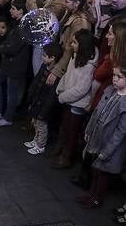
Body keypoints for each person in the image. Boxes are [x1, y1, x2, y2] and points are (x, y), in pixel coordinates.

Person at [80, 65, 126, 210]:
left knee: (102, 173)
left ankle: (97, 198)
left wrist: (108, 150)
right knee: (95, 169)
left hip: (110, 144)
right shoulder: (110, 91)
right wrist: (89, 129)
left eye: (119, 77)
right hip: (98, 137)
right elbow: (96, 113)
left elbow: (120, 132)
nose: (115, 79)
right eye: (114, 75)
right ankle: (91, 194)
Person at [50, 29, 98, 169]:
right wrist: (61, 88)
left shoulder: (89, 66)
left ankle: (67, 157)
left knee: (72, 132)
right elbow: (67, 75)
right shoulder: (75, 56)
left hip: (77, 104)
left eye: (75, 42)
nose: (72, 44)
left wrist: (62, 96)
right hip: (67, 99)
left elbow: (81, 89)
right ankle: (61, 148)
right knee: (64, 127)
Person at [24, 43, 63, 155]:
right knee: (36, 123)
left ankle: (40, 145)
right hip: (37, 100)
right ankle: (35, 140)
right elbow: (36, 81)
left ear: (53, 58)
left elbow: (52, 96)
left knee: (41, 125)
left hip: (44, 104)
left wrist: (45, 110)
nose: (43, 57)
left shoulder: (55, 76)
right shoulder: (43, 67)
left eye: (45, 55)